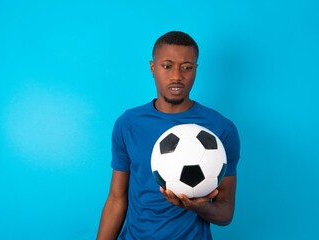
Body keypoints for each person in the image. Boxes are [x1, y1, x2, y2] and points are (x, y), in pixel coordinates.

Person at [97, 31, 240, 239]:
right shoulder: (128, 123)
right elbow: (116, 199)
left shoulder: (220, 129)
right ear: (153, 68)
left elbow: (226, 212)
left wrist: (198, 207)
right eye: (167, 66)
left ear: (195, 70)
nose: (177, 76)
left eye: (187, 68)